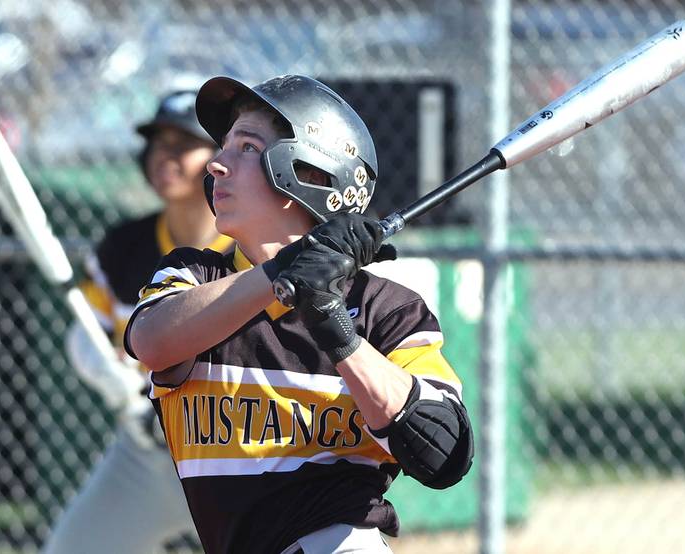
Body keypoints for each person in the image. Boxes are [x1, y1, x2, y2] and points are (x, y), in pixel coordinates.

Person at [124, 74, 474, 554]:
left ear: (307, 174)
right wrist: (288, 268)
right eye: (224, 146)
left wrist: (336, 326)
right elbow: (153, 341)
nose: (215, 164)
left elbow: (442, 449)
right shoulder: (195, 277)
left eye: (245, 148)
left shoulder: (385, 310)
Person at [43, 90, 233, 553]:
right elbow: (87, 333)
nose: (164, 155)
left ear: (221, 159)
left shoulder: (256, 250)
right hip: (148, 452)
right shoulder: (125, 246)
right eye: (158, 141)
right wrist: (105, 370)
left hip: (237, 454)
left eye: (183, 143)